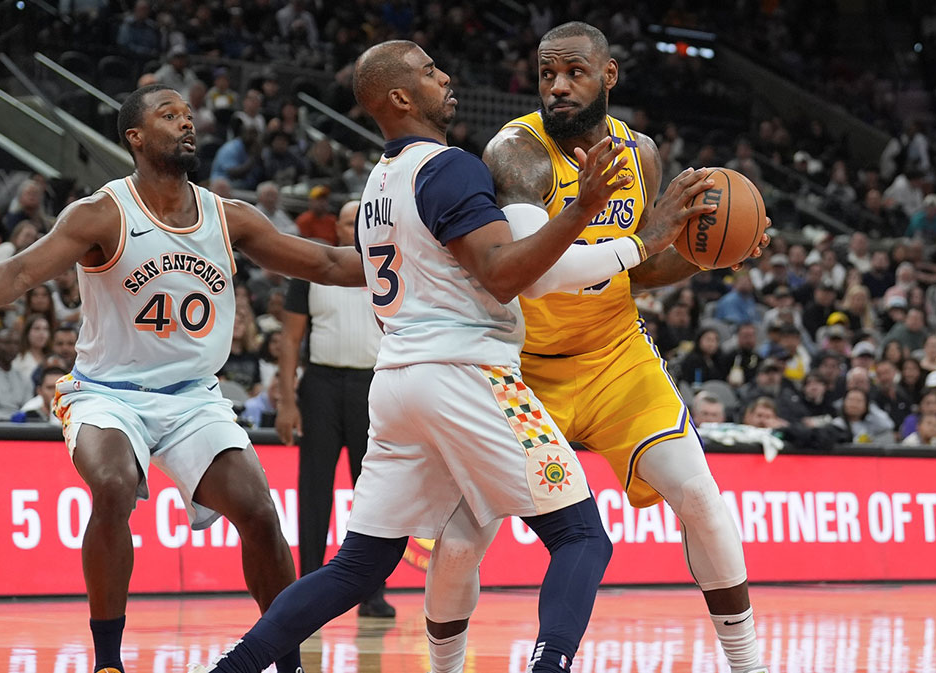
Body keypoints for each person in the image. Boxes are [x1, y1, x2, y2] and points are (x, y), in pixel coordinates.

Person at [194, 40, 704, 673]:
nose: (448, 77)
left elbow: (364, 265)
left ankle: (229, 668)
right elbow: (502, 274)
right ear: (402, 97)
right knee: (581, 538)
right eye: (431, 72)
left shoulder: (379, 182)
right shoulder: (451, 167)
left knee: (357, 566)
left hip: (397, 383)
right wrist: (605, 222)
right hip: (469, 374)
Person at [421, 22, 769, 673]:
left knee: (700, 496)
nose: (557, 85)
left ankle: (748, 664)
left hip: (613, 357)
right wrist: (644, 237)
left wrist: (712, 254)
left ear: (608, 77)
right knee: (465, 536)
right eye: (547, 72)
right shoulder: (516, 153)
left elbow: (639, 268)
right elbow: (537, 271)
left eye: (573, 72)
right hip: (522, 370)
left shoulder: (641, 155)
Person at [0, 83, 374, 673]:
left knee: (258, 511)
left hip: (195, 399)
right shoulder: (101, 213)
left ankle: (288, 664)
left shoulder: (230, 218)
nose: (186, 123)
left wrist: (408, 265)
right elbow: (19, 273)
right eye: (168, 115)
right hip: (107, 394)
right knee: (116, 485)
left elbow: (325, 262)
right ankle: (107, 661)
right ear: (136, 136)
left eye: (189, 115)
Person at [274, 200, 392, 617]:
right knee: (314, 490)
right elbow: (289, 339)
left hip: (373, 387)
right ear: (337, 230)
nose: (355, 227)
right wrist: (287, 401)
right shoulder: (313, 270)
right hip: (321, 385)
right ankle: (306, 588)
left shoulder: (390, 265)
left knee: (374, 493)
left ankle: (373, 593)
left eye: (360, 219)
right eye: (347, 221)